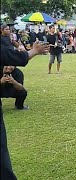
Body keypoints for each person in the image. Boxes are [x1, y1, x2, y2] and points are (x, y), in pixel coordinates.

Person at [0, 41, 48, 180]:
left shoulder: (17, 73)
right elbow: (9, 54)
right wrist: (33, 51)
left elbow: (21, 88)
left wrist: (13, 82)